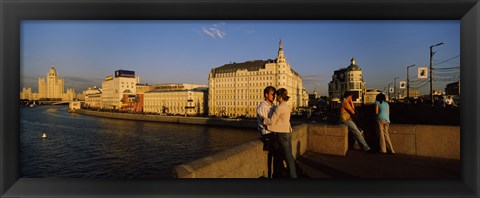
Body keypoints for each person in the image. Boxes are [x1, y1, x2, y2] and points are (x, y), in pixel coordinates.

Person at [264, 88, 297, 178]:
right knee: (289, 155)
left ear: (280, 96)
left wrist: (264, 119)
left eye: (277, 95)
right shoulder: (286, 106)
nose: (275, 97)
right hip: (288, 132)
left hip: (282, 134)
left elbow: (271, 121)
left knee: (288, 157)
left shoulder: (279, 108)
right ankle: (293, 174)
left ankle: (293, 176)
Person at [256, 86, 282, 178]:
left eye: (274, 94)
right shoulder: (262, 107)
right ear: (266, 95)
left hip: (273, 132)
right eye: (272, 94)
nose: (274, 96)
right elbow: (266, 124)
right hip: (267, 134)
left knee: (281, 153)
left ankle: (278, 174)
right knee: (279, 153)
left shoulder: (273, 106)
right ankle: (276, 176)